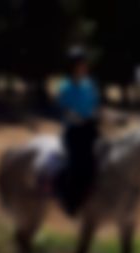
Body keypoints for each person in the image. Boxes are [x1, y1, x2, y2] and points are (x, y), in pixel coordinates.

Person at [56, 45, 100, 216]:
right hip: (74, 131)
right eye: (80, 64)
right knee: (77, 164)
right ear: (73, 66)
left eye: (84, 64)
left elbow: (95, 108)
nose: (84, 67)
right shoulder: (66, 86)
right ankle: (71, 202)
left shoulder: (89, 85)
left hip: (90, 129)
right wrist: (80, 119)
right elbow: (65, 110)